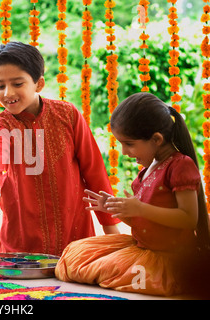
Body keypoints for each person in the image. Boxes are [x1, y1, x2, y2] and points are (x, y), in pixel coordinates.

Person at [55, 92, 210, 297]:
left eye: (129, 144)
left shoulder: (180, 165)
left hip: (168, 258)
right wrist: (116, 209)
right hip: (141, 248)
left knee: (96, 270)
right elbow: (145, 224)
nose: (124, 152)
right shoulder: (149, 169)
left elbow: (189, 219)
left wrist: (139, 208)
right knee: (73, 256)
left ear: (156, 139)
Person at [0, 42, 120, 256]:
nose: (8, 92)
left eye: (17, 83)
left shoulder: (68, 115)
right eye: (0, 85)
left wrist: (111, 230)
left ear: (39, 84)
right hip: (22, 244)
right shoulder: (3, 124)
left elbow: (94, 171)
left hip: (74, 236)